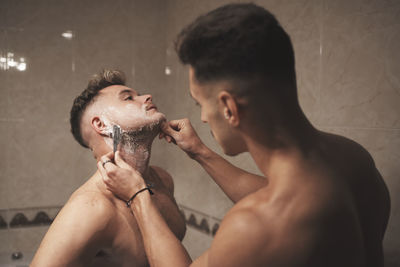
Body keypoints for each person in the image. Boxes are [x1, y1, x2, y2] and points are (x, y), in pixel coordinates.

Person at [98, 3, 390, 267]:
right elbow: (272, 190)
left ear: (228, 107)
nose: (201, 116)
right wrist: (199, 151)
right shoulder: (352, 160)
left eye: (200, 103)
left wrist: (138, 196)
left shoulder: (256, 227)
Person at [31, 70, 186, 267]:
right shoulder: (90, 207)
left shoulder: (163, 179)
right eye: (129, 98)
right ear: (101, 124)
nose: (147, 97)